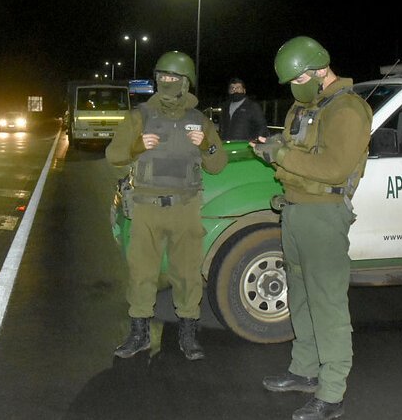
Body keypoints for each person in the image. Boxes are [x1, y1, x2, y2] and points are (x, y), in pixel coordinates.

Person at [251, 36, 372, 420]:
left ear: (319, 70)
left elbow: (334, 168)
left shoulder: (347, 109)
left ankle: (332, 393)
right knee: (300, 295)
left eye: (298, 77)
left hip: (323, 214)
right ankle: (304, 371)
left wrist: (281, 154)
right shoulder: (306, 108)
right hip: (296, 211)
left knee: (328, 304)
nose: (293, 86)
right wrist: (273, 149)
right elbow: (298, 155)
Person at [105, 50, 228, 361]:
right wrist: (136, 146)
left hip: (185, 206)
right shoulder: (139, 116)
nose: (167, 82)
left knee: (186, 273)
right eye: (162, 77)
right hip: (146, 206)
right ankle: (139, 332)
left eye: (174, 78)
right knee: (141, 273)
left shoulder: (199, 120)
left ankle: (188, 331)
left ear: (186, 83)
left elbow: (217, 164)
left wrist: (205, 144)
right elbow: (113, 155)